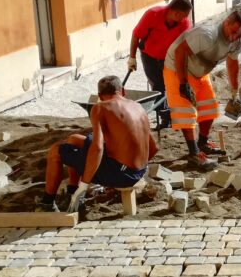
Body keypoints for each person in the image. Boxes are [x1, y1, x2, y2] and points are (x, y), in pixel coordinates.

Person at [40, 75, 157, 211]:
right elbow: (154, 147)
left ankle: (47, 204)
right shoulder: (138, 107)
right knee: (75, 140)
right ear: (123, 91)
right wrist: (136, 167)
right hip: (137, 171)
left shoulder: (100, 108)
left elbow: (98, 147)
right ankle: (72, 192)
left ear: (100, 96)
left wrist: (84, 186)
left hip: (120, 174)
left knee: (56, 151)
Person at [163, 8, 241, 169]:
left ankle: (202, 143)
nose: (234, 37)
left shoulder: (235, 42)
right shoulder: (207, 35)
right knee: (186, 112)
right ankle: (194, 154)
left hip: (200, 71)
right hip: (177, 68)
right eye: (233, 32)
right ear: (226, 22)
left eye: (238, 35)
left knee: (209, 107)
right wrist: (183, 84)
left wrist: (235, 92)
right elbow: (179, 51)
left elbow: (232, 63)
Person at [127, 0, 193, 131]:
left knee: (172, 85)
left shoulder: (184, 23)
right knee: (157, 88)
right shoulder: (152, 15)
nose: (185, 18)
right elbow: (136, 35)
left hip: (170, 59)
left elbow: (187, 44)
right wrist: (132, 58)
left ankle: (176, 116)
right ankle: (165, 119)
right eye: (184, 15)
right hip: (149, 56)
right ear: (175, 12)